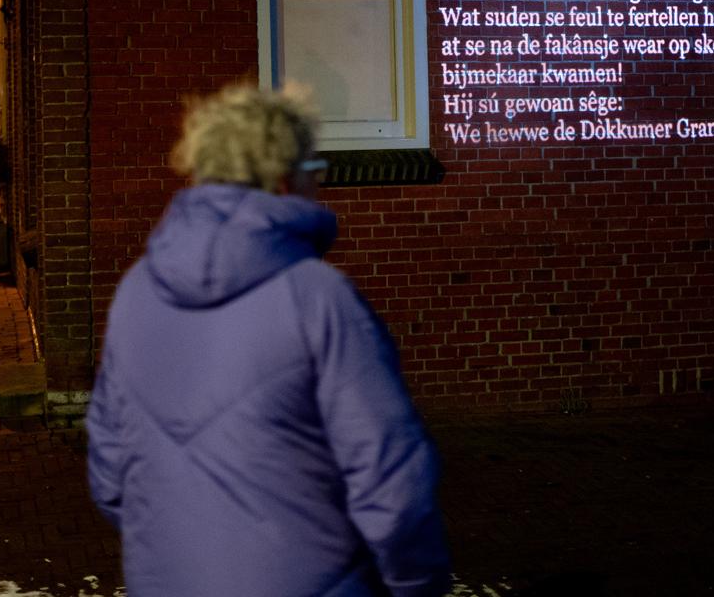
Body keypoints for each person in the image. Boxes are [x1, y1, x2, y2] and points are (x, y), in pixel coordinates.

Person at [87, 83, 451, 597]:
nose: (319, 184)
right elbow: (391, 482)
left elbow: (109, 474)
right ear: (282, 179)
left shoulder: (137, 291)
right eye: (314, 169)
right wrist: (417, 585)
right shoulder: (318, 298)